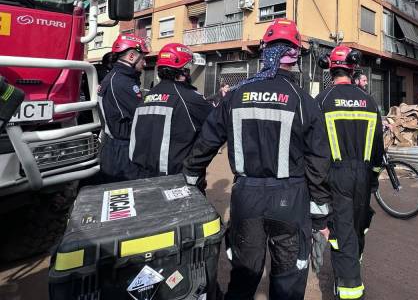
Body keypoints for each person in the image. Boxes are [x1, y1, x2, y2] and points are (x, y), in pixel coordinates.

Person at [182, 18, 332, 300]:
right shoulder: (303, 101)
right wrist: (320, 216)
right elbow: (318, 162)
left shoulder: (236, 95)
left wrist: (190, 181)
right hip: (290, 199)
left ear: (265, 51)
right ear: (296, 55)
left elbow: (206, 142)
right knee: (287, 279)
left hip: (246, 197)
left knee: (243, 275)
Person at [316, 46, 384, 300]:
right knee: (357, 227)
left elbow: (315, 150)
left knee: (341, 234)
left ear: (330, 68)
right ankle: (351, 267)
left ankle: (350, 289)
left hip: (335, 177)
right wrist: (374, 179)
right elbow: (378, 149)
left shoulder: (322, 101)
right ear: (354, 68)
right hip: (364, 178)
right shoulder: (369, 101)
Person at [129, 43, 212, 178]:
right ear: (184, 70)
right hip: (176, 176)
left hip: (142, 174)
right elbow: (217, 125)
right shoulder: (189, 97)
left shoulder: (146, 98)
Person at [97, 35, 149, 183]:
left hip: (115, 147)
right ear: (132, 56)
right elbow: (142, 116)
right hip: (121, 150)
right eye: (143, 58)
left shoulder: (117, 77)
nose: (144, 63)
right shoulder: (122, 82)